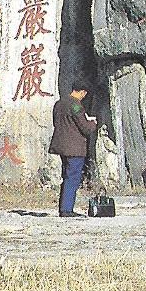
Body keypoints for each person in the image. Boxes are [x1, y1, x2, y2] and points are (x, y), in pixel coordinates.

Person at [49, 80, 99, 217]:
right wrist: (93, 123)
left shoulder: (59, 104)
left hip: (61, 146)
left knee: (66, 176)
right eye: (84, 94)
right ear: (82, 92)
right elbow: (85, 127)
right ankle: (67, 209)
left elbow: (56, 122)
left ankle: (64, 207)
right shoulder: (76, 105)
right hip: (74, 148)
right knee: (73, 178)